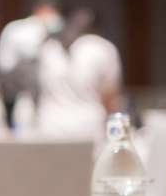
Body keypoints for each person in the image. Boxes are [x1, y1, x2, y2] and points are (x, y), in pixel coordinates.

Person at [37, 7, 122, 139]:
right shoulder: (103, 48)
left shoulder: (49, 48)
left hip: (50, 127)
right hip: (89, 129)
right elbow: (109, 97)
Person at [0, 0, 65, 105]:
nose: (54, 15)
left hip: (47, 94)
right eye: (50, 10)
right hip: (17, 90)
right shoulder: (19, 28)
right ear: (39, 9)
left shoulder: (58, 30)